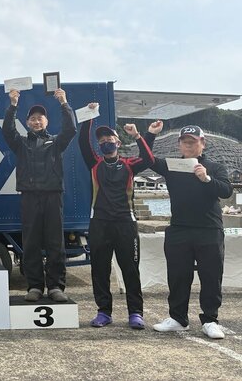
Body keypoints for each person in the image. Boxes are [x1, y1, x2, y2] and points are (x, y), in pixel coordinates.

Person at [148, 125, 233, 339]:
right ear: (179, 144)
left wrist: (207, 179)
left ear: (202, 143)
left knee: (211, 276)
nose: (188, 144)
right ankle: (178, 318)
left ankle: (210, 319)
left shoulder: (214, 167)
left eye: (193, 141)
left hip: (209, 230)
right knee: (178, 276)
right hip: (179, 229)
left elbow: (226, 190)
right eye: (185, 141)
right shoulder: (172, 166)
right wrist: (150, 134)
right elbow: (148, 159)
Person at [78, 105, 155, 328]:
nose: (105, 143)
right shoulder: (95, 163)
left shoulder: (129, 165)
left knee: (130, 269)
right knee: (99, 270)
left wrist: (139, 136)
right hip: (99, 223)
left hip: (125, 224)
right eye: (101, 141)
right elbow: (83, 141)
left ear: (118, 143)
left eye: (109, 139)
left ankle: (136, 313)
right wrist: (89, 116)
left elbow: (149, 159)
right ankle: (104, 312)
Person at [2, 88, 76, 302]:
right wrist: (13, 105)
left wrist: (64, 103)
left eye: (40, 118)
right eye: (32, 119)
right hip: (29, 197)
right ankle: (34, 286)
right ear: (27, 123)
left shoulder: (56, 142)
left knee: (55, 243)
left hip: (53, 196)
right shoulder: (21, 143)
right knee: (31, 243)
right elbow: (7, 130)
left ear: (46, 122)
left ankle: (55, 286)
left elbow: (71, 129)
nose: (36, 121)